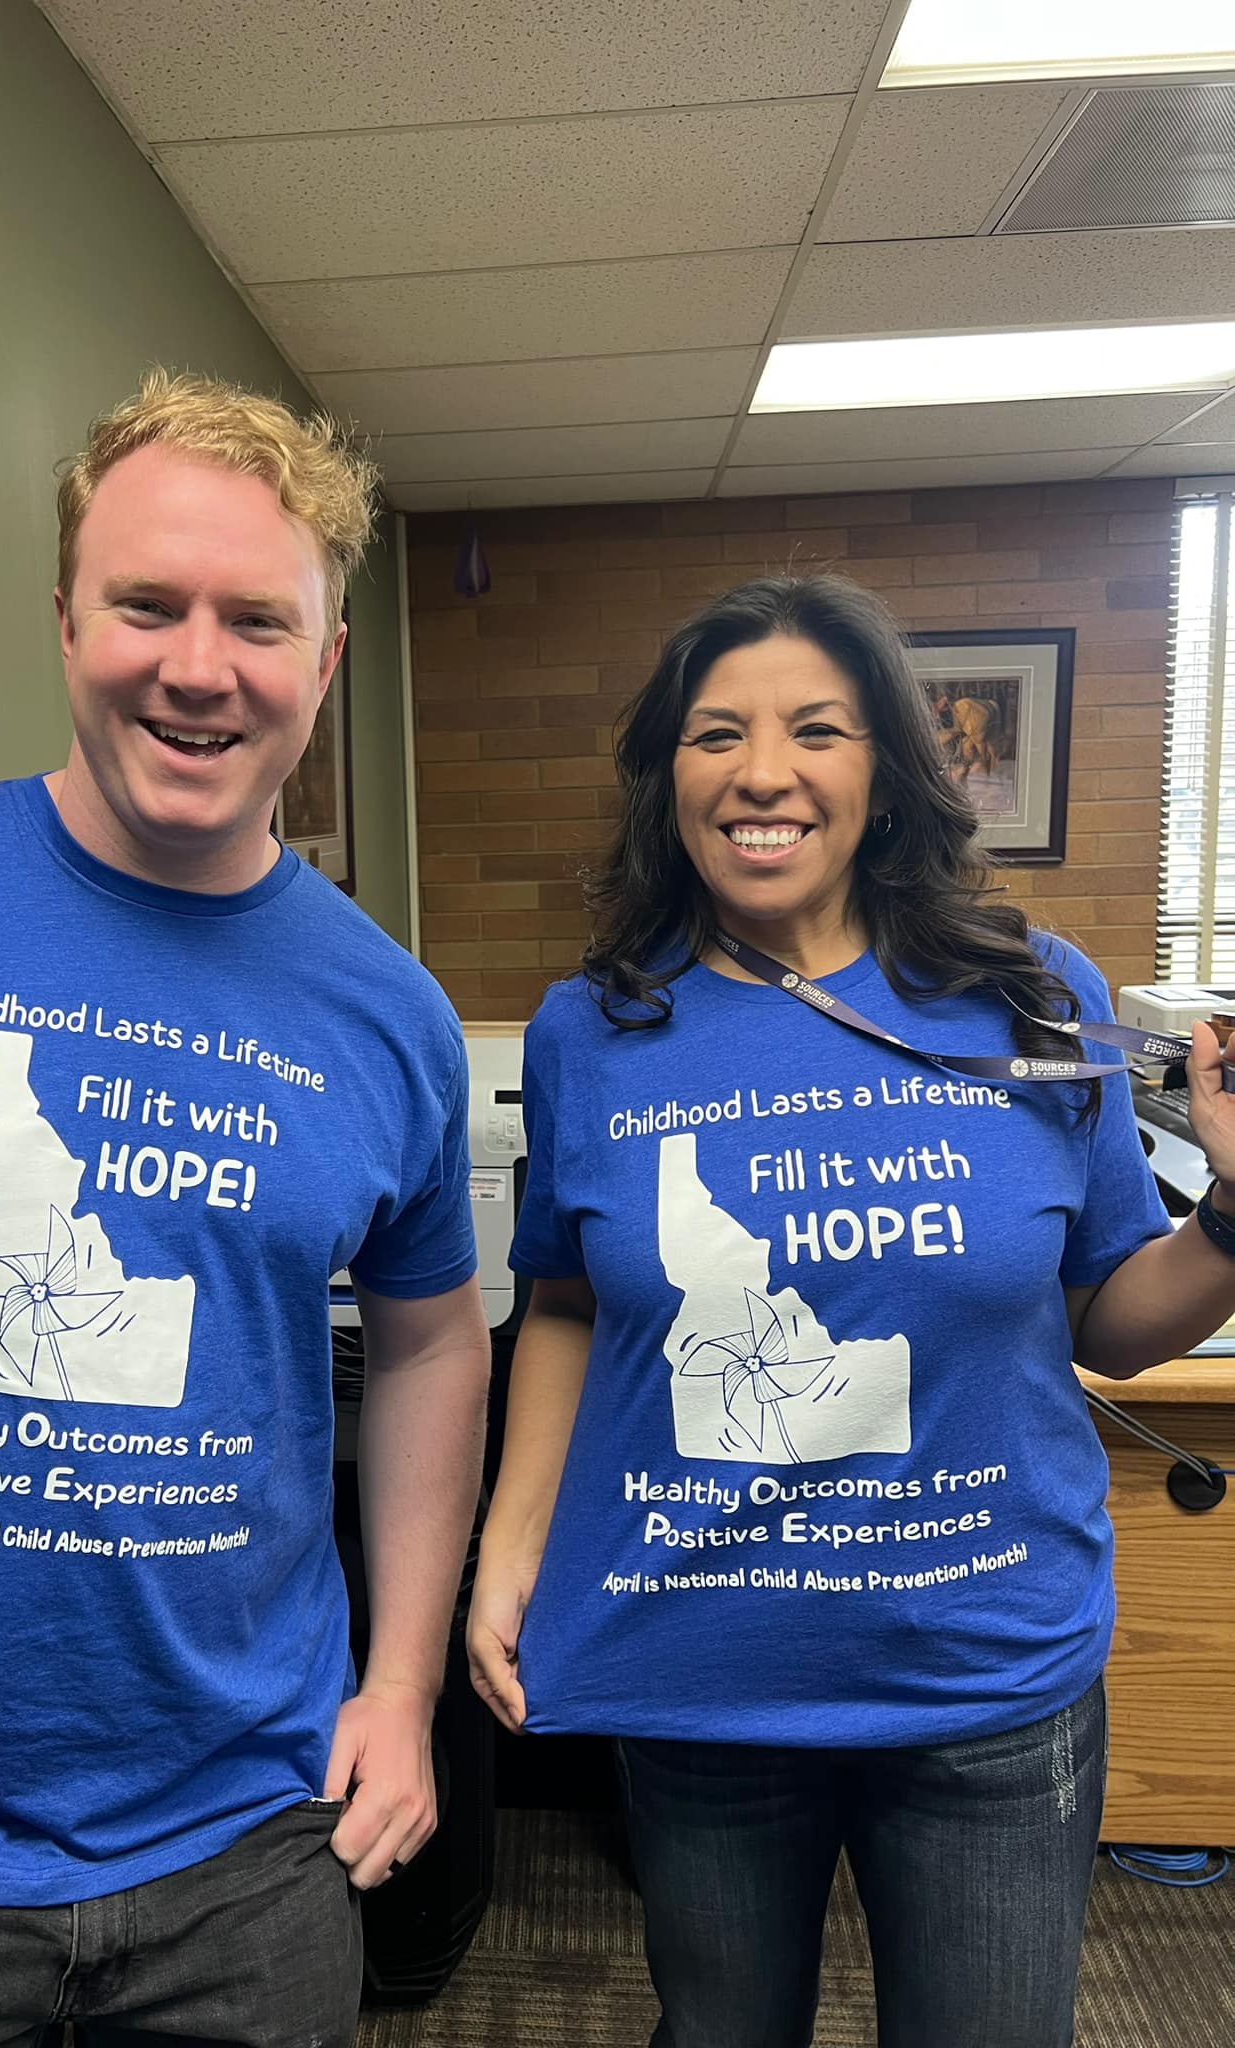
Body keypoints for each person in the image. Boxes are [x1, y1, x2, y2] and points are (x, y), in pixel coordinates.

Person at [0, 370, 490, 2047]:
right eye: (148, 604)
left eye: (259, 622)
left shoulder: (387, 1015)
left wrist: (405, 1689)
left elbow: (430, 1348)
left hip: (249, 1852)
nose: (198, 666)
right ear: (67, 619)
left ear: (325, 665)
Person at [467, 574, 1235, 2048]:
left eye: (815, 728)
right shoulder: (600, 1027)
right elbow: (563, 1303)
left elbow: (1115, 1323)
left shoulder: (1030, 997)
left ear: (884, 769)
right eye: (715, 735)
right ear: (665, 778)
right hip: (706, 1662)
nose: (764, 772)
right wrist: (512, 1553)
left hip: (987, 1670)